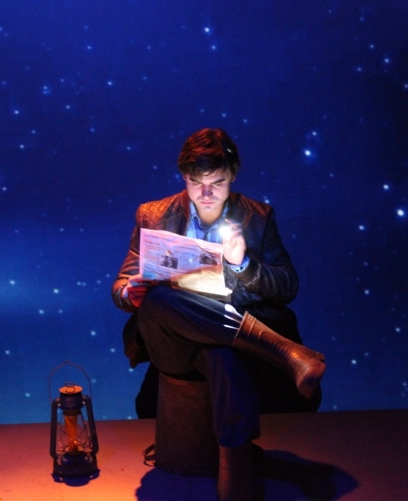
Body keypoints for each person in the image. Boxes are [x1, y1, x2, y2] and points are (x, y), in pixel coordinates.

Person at [111, 128, 326, 500]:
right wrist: (131, 291)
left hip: (227, 344)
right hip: (171, 339)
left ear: (234, 175)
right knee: (159, 300)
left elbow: (287, 286)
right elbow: (121, 285)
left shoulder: (258, 216)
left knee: (219, 355)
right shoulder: (152, 214)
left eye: (217, 183)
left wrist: (243, 264)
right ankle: (284, 351)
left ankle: (234, 475)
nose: (206, 193)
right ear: (184, 176)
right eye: (196, 183)